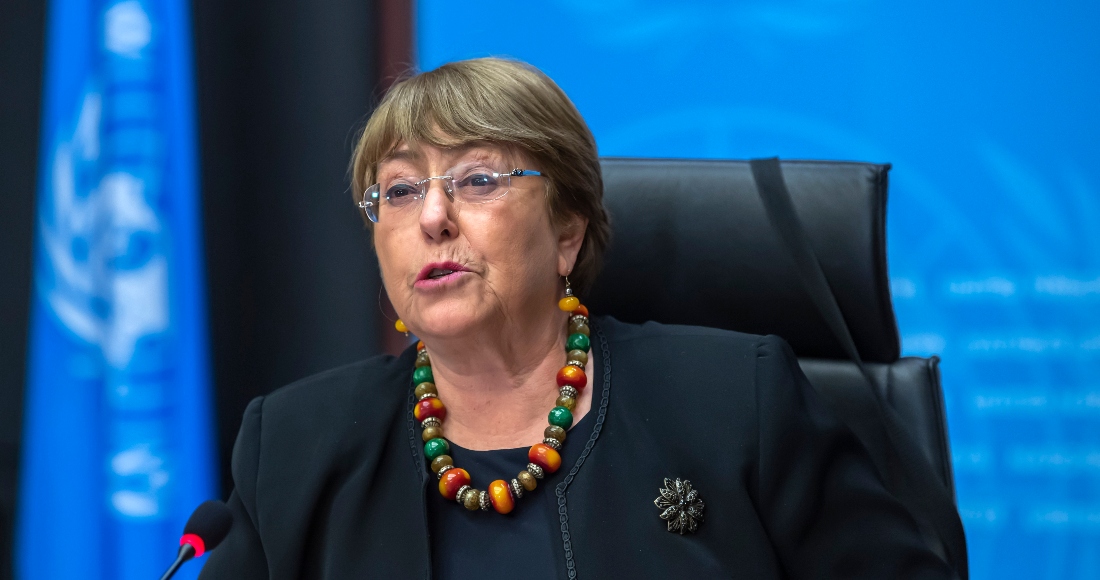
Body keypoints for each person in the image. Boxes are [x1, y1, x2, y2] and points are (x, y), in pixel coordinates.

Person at [200, 58, 952, 579]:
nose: (432, 216)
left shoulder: (733, 400)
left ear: (568, 234)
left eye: (478, 179)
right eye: (398, 191)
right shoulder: (296, 446)